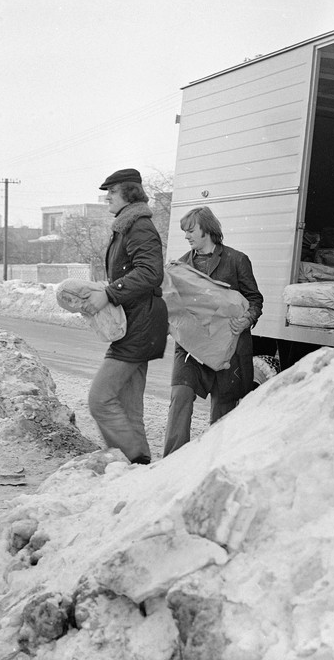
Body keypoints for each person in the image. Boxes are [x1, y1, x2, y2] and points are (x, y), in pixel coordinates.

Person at [82, 168, 168, 465]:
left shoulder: (138, 227)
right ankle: (138, 470)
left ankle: (129, 460)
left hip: (138, 324)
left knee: (100, 399)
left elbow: (150, 273)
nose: (107, 198)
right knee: (129, 408)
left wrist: (109, 294)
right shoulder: (128, 225)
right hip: (135, 321)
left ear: (128, 194)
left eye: (112, 192)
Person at [163, 206, 263, 457]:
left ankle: (215, 461)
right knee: (180, 395)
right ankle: (172, 461)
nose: (186, 236)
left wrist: (246, 319)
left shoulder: (236, 260)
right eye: (184, 231)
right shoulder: (182, 265)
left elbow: (255, 299)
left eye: (190, 230)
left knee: (223, 409)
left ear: (207, 229)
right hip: (190, 350)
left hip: (227, 349)